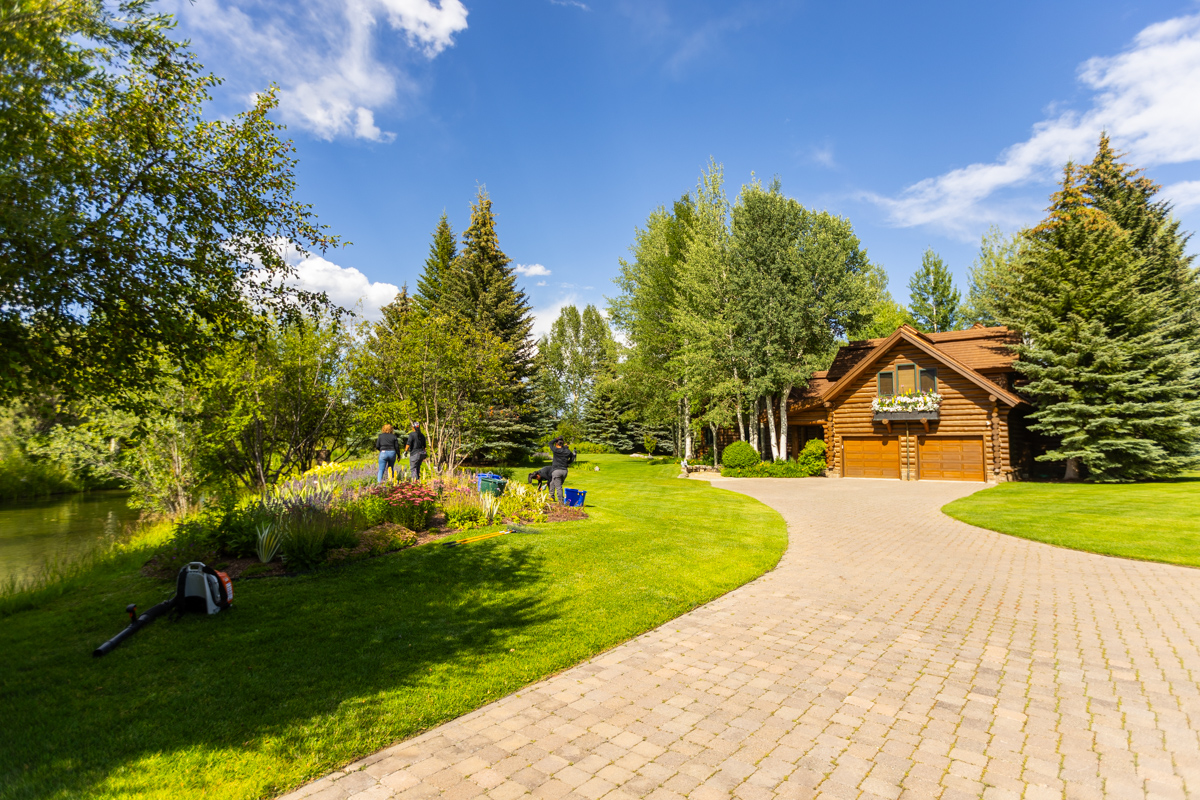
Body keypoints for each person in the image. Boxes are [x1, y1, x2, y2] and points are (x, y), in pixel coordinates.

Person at [548, 436, 576, 503]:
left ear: (557, 444)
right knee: (552, 482)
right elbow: (572, 457)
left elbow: (550, 443)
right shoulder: (567, 451)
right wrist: (568, 462)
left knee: (558, 487)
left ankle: (561, 501)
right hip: (564, 471)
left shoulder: (555, 450)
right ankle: (551, 496)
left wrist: (557, 438)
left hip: (556, 471)